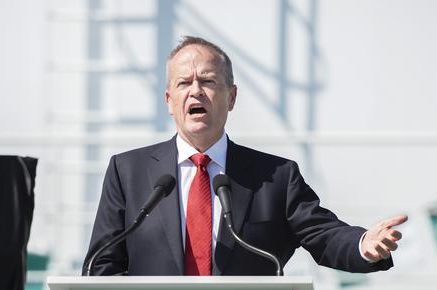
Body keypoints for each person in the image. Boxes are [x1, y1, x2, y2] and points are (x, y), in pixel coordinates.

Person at [82, 36, 407, 276]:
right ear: (169, 100)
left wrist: (363, 243)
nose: (195, 91)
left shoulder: (276, 176)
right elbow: (101, 266)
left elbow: (323, 235)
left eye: (208, 81)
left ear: (231, 97)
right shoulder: (127, 172)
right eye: (184, 83)